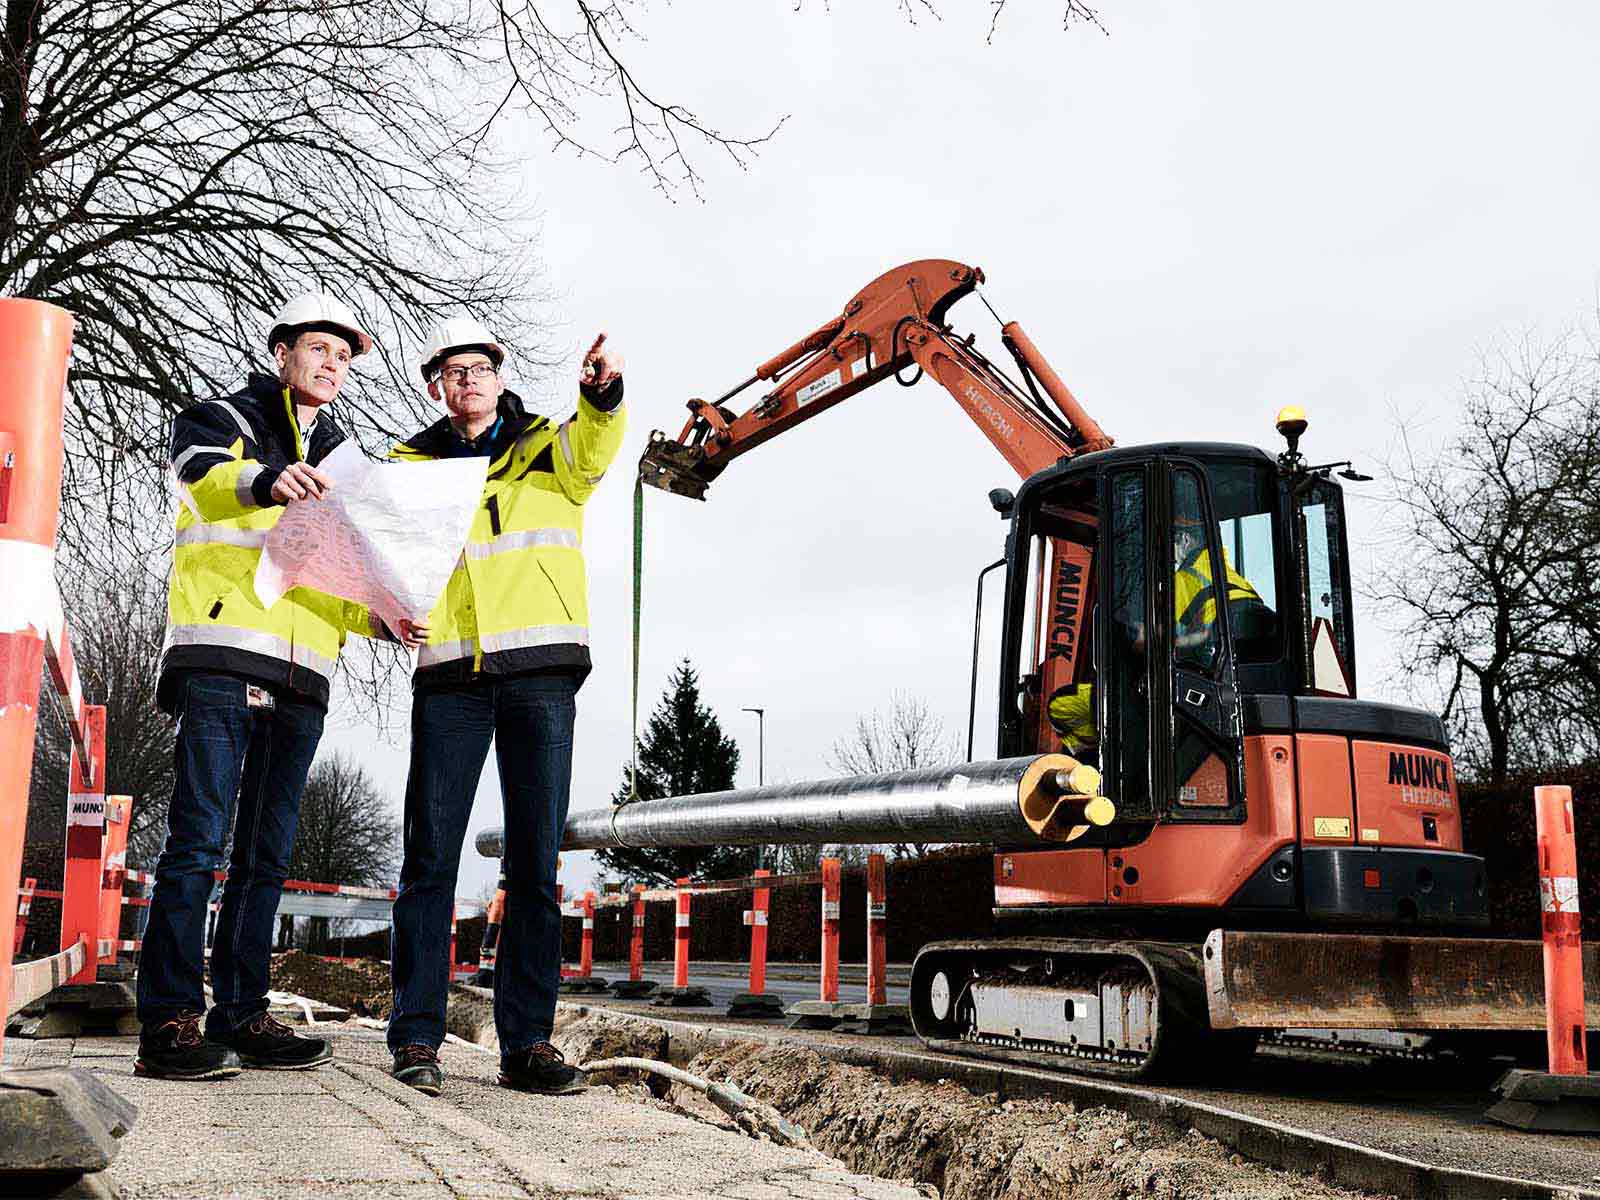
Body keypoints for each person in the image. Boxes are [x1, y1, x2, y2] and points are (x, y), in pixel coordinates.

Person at [137, 292, 425, 1081]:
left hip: (305, 672)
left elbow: (335, 567)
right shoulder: (221, 416)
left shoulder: (343, 456)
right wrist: (266, 480)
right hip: (225, 651)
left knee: (266, 854)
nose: (331, 363)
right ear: (283, 353)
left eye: (344, 355)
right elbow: (200, 478)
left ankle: (243, 1012)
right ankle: (167, 1023)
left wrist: (381, 620)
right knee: (197, 843)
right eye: (318, 349)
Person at [385, 317, 624, 1097]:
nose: (468, 381)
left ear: (499, 374)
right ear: (436, 386)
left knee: (534, 864)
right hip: (450, 675)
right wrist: (378, 612)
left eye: (479, 368)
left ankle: (527, 1043)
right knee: (429, 862)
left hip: (541, 675)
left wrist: (602, 392)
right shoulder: (408, 466)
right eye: (452, 372)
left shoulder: (552, 445)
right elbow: (374, 561)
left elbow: (596, 449)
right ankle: (417, 1038)